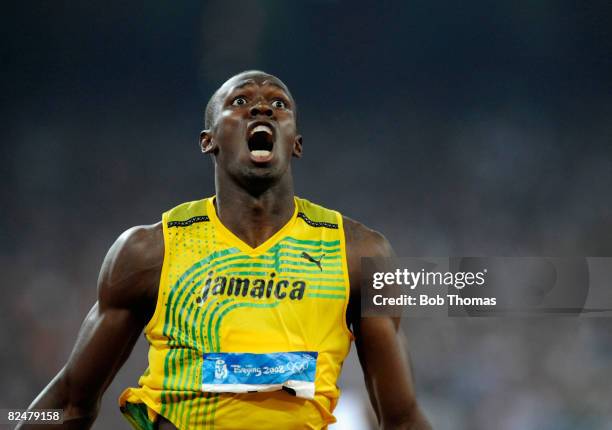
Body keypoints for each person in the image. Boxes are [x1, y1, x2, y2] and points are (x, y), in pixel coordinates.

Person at [18, 71, 431, 430]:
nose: (262, 108)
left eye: (278, 103)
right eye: (240, 101)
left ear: (297, 143)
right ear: (208, 140)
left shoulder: (357, 254)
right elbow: (71, 399)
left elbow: (403, 418)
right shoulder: (149, 252)